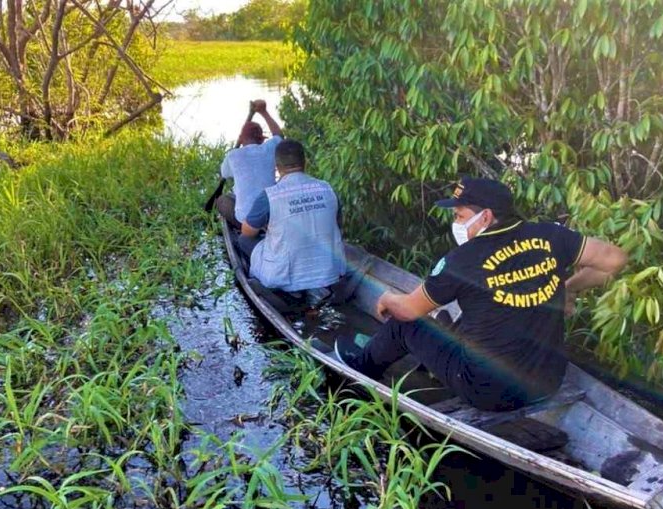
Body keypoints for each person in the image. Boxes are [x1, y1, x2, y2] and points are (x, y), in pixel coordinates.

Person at [335, 177, 628, 411]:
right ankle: (426, 365)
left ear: (485, 216)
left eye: (460, 215)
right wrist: (568, 288)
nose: (456, 223)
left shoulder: (462, 260)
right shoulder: (552, 236)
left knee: (403, 325)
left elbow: (408, 310)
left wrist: (387, 299)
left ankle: (361, 367)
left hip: (487, 393)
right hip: (548, 382)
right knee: (470, 317)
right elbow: (614, 260)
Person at [239, 139, 346, 293]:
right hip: (330, 273)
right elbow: (338, 225)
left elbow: (247, 231)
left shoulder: (269, 196)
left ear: (277, 167)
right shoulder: (328, 189)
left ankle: (282, 291)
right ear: (305, 162)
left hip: (283, 276)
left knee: (243, 240)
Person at [214, 99, 283, 228]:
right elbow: (279, 135)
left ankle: (242, 230)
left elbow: (224, 173)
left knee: (223, 200)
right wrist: (264, 112)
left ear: (241, 139)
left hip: (245, 222)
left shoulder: (233, 155)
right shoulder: (269, 149)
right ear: (261, 140)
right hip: (272, 214)